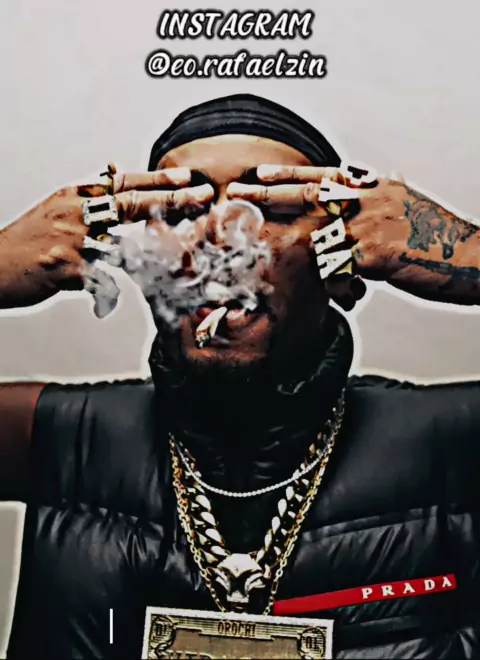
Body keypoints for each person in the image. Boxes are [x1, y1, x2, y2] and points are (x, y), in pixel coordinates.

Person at [0, 94, 479, 660]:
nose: (221, 241)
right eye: (180, 215)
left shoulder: (451, 442)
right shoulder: (60, 438)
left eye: (273, 211)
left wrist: (469, 256)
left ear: (344, 259)